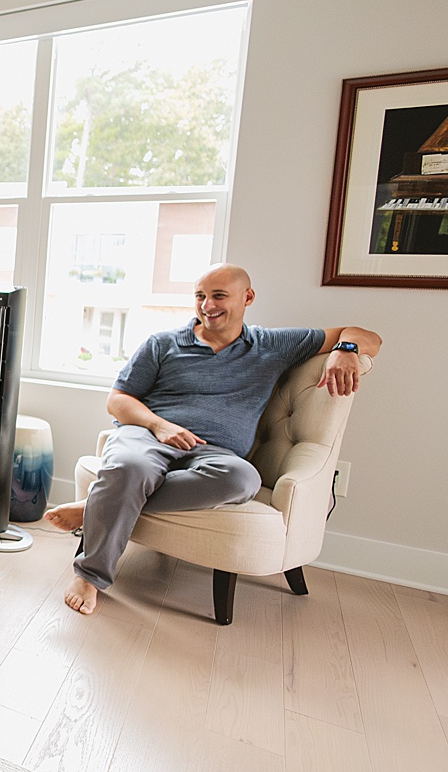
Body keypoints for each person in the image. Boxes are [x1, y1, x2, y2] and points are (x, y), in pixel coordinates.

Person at [43, 263, 382, 616]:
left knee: (242, 479)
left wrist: (345, 349)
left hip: (215, 452)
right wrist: (159, 425)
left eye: (219, 296)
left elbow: (369, 337)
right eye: (200, 296)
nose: (207, 305)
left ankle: (97, 505)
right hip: (147, 435)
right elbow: (118, 399)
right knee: (129, 467)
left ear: (247, 297)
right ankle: (89, 577)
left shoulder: (272, 345)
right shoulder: (162, 344)